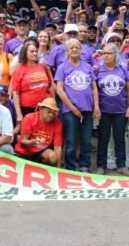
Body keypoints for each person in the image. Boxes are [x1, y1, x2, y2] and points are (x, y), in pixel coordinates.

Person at [54, 38, 100, 172]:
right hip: (69, 111)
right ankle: (70, 167)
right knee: (71, 141)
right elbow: (59, 90)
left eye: (77, 48)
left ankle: (85, 166)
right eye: (71, 48)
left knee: (86, 140)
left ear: (80, 51)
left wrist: (96, 107)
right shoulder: (63, 67)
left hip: (87, 110)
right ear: (67, 51)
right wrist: (73, 109)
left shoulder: (87, 66)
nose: (74, 49)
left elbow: (94, 88)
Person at [95, 42, 129, 175]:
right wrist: (96, 108)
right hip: (104, 111)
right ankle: (101, 166)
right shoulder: (98, 70)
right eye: (103, 53)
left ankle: (122, 165)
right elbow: (94, 89)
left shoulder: (122, 69)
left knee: (120, 138)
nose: (105, 56)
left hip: (120, 110)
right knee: (103, 138)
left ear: (115, 55)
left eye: (109, 53)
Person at [12, 40, 55, 119]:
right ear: (25, 53)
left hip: (45, 106)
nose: (35, 53)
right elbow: (16, 93)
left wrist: (53, 102)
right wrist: (19, 114)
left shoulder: (43, 66)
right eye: (32, 51)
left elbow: (51, 85)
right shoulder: (19, 70)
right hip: (27, 108)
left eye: (36, 51)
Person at [15, 97, 63, 167]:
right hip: (25, 151)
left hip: (41, 152)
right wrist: (34, 142)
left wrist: (58, 169)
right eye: (49, 112)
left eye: (54, 113)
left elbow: (57, 147)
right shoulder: (29, 118)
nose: (51, 115)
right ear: (41, 109)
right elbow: (23, 142)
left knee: (52, 157)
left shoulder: (58, 123)